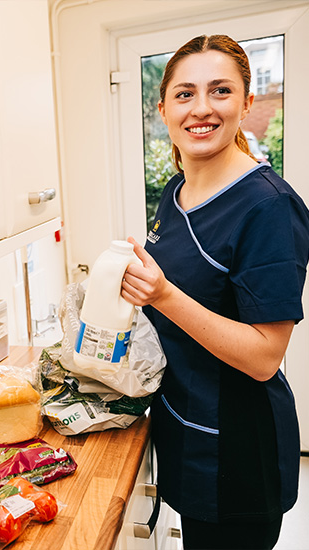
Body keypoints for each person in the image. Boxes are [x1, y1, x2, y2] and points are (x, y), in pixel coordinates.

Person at [121, 34, 309, 550]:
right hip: (184, 424)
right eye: (185, 94)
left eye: (220, 91)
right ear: (163, 109)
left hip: (237, 451)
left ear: (247, 103)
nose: (201, 108)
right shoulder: (176, 191)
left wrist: (162, 295)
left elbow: (265, 357)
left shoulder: (268, 207)